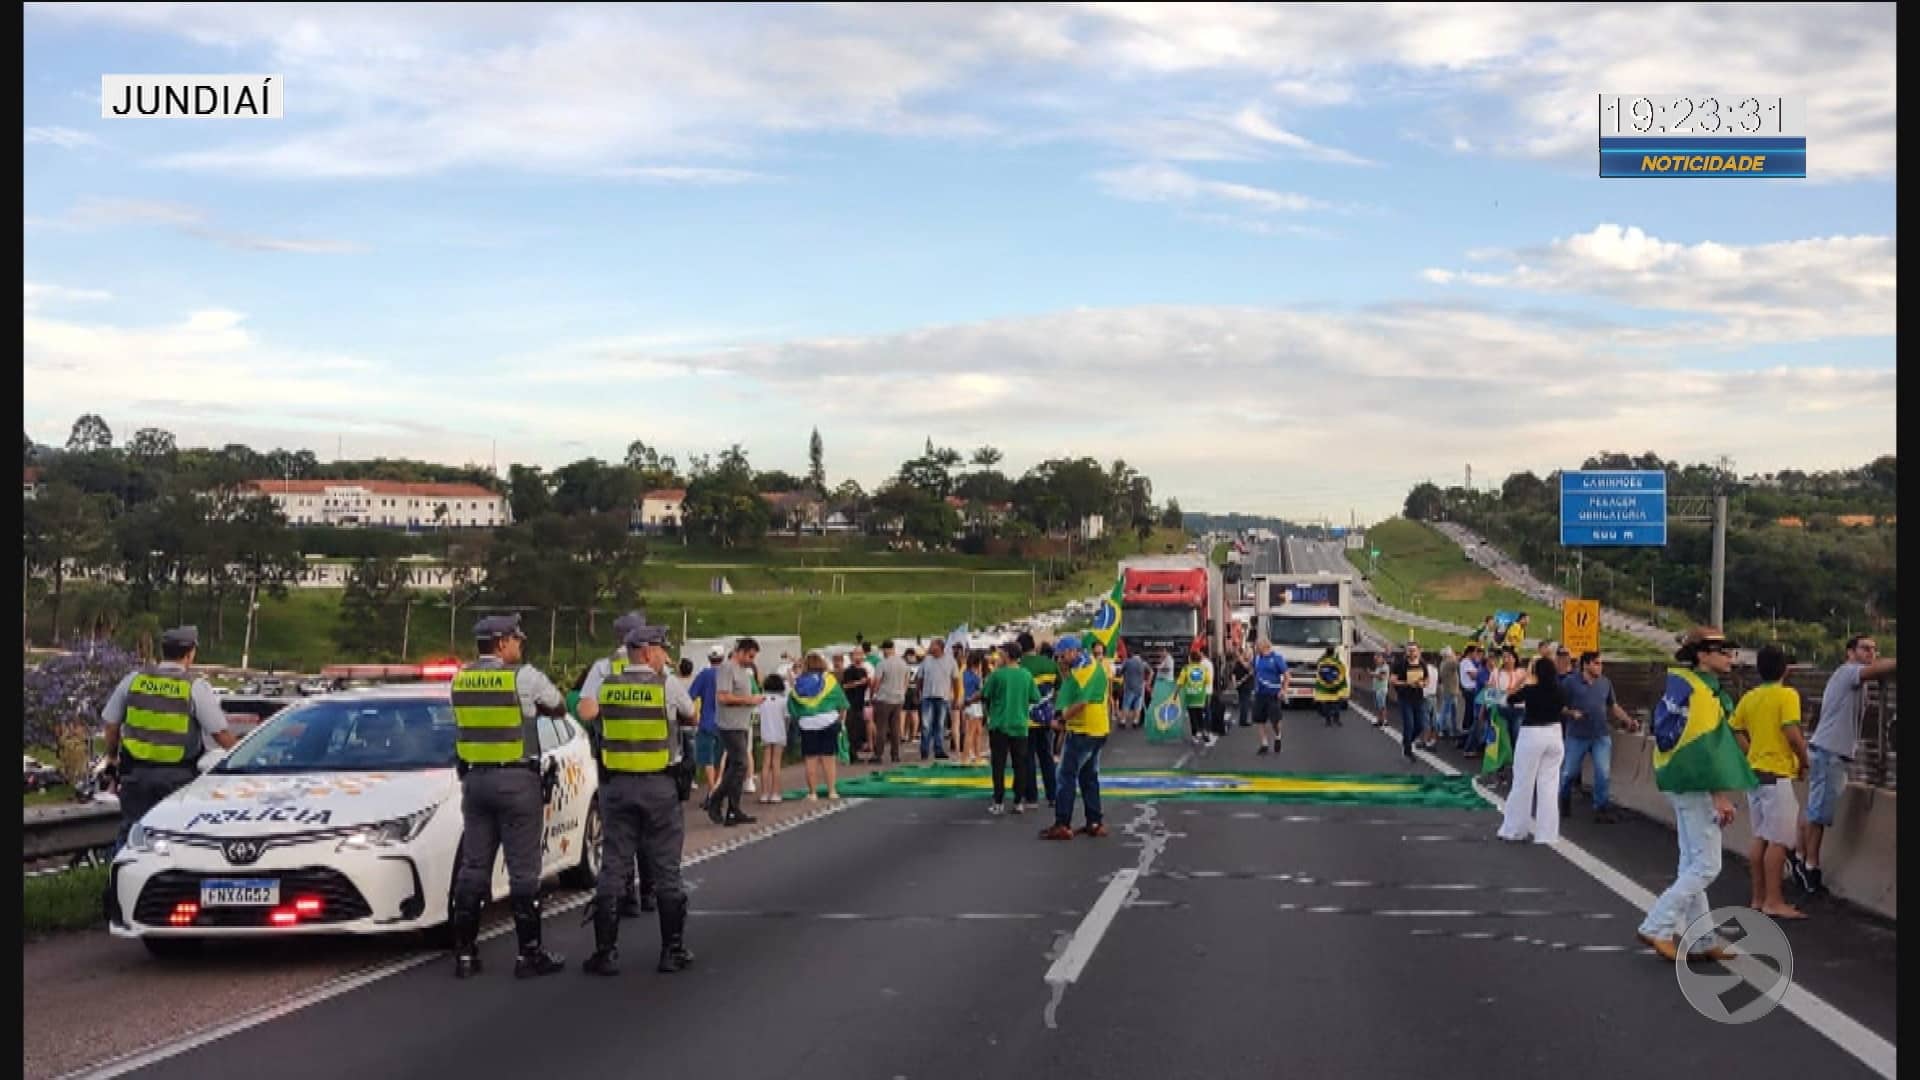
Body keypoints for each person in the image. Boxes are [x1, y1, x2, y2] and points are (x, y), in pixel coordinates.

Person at [447, 614, 569, 979]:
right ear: (501, 643)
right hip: (516, 781)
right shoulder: (524, 677)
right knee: (524, 870)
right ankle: (528, 954)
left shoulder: (460, 679)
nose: (520, 644)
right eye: (516, 639)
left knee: (473, 868)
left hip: (475, 783)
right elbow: (559, 706)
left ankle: (465, 955)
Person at [578, 619, 700, 977]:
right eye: (662, 650)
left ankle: (605, 952)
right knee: (666, 869)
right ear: (647, 652)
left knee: (613, 866)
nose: (665, 657)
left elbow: (588, 713)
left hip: (616, 789)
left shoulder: (607, 684)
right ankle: (671, 951)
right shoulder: (666, 685)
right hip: (659, 788)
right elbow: (690, 717)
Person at [1636, 627, 1757, 962]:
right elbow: (1707, 749)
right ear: (1702, 655)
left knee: (1691, 862)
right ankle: (1657, 925)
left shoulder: (1683, 686)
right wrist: (1718, 794)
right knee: (1706, 865)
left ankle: (1703, 940)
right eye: (1721, 650)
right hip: (1695, 784)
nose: (1729, 657)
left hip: (1678, 779)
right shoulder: (1704, 694)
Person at [98, 625, 237, 853]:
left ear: (164, 651)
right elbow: (220, 734)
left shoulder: (134, 680)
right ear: (190, 652)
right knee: (176, 840)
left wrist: (112, 757)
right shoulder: (194, 687)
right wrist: (245, 758)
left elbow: (111, 724)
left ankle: (119, 884)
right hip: (177, 781)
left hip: (136, 777)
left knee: (132, 836)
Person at [1797, 634, 1897, 897]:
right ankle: (1810, 869)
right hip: (1830, 753)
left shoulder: (1855, 679)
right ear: (1849, 653)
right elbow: (1879, 669)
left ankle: (1799, 858)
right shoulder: (1848, 673)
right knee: (1818, 815)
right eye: (1865, 649)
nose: (1871, 654)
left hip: (1828, 751)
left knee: (1814, 810)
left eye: (1875, 650)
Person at [577, 611, 653, 917]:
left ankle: (626, 895)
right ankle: (649, 892)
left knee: (619, 833)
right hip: (652, 762)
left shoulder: (604, 668)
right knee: (649, 832)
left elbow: (587, 711)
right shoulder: (655, 666)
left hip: (614, 763)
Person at [1730, 644, 1810, 920]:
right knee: (1779, 841)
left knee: (1762, 836)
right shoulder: (1787, 695)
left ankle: (1757, 897)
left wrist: (1749, 751)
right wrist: (1803, 758)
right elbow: (1791, 730)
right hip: (1777, 774)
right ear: (1785, 669)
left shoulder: (1750, 697)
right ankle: (1774, 901)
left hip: (1754, 773)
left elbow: (1735, 728)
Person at [1040, 635, 1111, 840]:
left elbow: (1081, 702)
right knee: (1089, 776)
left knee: (1065, 775)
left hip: (1085, 730)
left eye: (1062, 656)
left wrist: (1061, 719)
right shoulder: (1088, 666)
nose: (1060, 660)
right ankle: (1094, 822)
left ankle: (1062, 823)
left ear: (1073, 651)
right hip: (1097, 729)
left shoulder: (1085, 670)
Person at [1558, 651, 1639, 824]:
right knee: (1569, 773)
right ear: (1586, 664)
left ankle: (1600, 807)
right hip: (1577, 735)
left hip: (1600, 734)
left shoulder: (1605, 683)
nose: (1600, 667)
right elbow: (1559, 706)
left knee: (1603, 772)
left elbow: (1613, 706)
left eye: (1601, 663)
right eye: (1596, 663)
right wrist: (1572, 713)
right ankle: (1563, 800)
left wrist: (1628, 721)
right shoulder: (1570, 683)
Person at [1495, 656, 1568, 845]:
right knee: (1549, 785)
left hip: (1532, 733)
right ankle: (1548, 833)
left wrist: (1524, 678)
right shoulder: (1560, 690)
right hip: (1555, 734)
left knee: (1523, 782)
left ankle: (1515, 829)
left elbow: (1508, 698)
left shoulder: (1530, 690)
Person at [709, 638, 765, 827]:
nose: (751, 660)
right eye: (750, 656)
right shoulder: (727, 668)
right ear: (740, 651)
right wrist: (749, 700)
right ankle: (715, 798)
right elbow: (723, 696)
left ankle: (734, 808)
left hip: (741, 723)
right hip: (729, 724)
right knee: (740, 763)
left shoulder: (744, 671)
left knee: (735, 765)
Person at [983, 641, 1039, 815]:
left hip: (1000, 724)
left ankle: (998, 801)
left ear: (1007, 655)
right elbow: (1035, 697)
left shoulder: (997, 675)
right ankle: (1018, 801)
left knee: (998, 765)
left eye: (1001, 654)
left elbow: (985, 694)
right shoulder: (1026, 675)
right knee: (1020, 765)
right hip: (1020, 725)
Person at [789, 652, 849, 800]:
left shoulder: (799, 682)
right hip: (828, 721)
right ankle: (832, 791)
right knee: (829, 758)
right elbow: (842, 702)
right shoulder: (829, 680)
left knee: (811, 759)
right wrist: (840, 720)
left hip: (807, 724)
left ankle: (812, 793)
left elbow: (792, 707)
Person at [1016, 632, 1060, 809]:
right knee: (1047, 758)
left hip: (1026, 719)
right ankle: (1053, 795)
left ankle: (1032, 797)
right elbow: (1059, 688)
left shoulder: (1020, 667)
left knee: (1028, 759)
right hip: (1046, 718)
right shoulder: (1050, 665)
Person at [689, 646, 726, 811]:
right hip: (725, 722)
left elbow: (691, 695)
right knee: (719, 759)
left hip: (707, 722)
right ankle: (718, 790)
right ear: (723, 658)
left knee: (707, 759)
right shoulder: (727, 674)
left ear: (709, 658)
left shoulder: (704, 675)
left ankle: (712, 792)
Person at [917, 638, 957, 761]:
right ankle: (924, 750)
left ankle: (938, 749)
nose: (930, 648)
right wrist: (918, 692)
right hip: (927, 696)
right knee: (926, 725)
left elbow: (955, 679)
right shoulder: (926, 660)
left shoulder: (950, 661)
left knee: (939, 725)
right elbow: (920, 677)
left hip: (943, 697)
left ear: (939, 647)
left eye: (932, 645)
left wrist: (956, 696)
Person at [870, 640, 910, 764]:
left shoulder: (882, 664)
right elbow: (906, 680)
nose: (883, 652)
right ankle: (895, 755)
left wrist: (873, 694)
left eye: (884, 649)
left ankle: (878, 755)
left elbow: (876, 681)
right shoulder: (903, 663)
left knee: (881, 728)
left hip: (884, 698)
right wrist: (902, 692)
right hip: (898, 699)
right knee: (895, 729)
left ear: (888, 649)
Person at [1388, 641, 1428, 761]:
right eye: (1410, 650)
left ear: (1418, 651)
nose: (1412, 653)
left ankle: (1407, 741)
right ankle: (1408, 750)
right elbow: (1392, 680)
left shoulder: (1422, 663)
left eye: (1414, 650)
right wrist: (1407, 683)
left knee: (1421, 725)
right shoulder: (1400, 664)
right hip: (1405, 698)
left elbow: (1427, 680)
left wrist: (1423, 684)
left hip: (1419, 698)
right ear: (1406, 652)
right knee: (1409, 725)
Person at [755, 673, 788, 804]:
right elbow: (787, 718)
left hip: (766, 732)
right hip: (779, 732)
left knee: (766, 763)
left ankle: (764, 794)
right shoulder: (783, 700)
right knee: (776, 764)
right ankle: (775, 793)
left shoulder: (761, 700)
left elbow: (756, 716)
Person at [1253, 638, 1289, 755]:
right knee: (1260, 720)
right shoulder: (1257, 658)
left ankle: (1278, 736)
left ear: (1264, 646)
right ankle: (1264, 744)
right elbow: (1251, 669)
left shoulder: (1276, 658)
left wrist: (1283, 690)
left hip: (1273, 694)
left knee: (1275, 720)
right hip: (1260, 694)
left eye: (1257, 646)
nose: (1256, 648)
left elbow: (1287, 675)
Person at [838, 652, 870, 762]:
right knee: (851, 729)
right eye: (857, 655)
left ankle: (856, 752)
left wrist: (866, 683)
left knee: (859, 729)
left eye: (861, 655)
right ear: (852, 657)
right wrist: (858, 683)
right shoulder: (848, 671)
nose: (859, 657)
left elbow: (865, 686)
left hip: (860, 703)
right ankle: (851, 755)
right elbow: (845, 686)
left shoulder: (863, 670)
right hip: (850, 703)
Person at [1178, 647, 1214, 747]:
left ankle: (1195, 736)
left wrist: (1176, 694)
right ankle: (1203, 731)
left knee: (1192, 716)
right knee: (1200, 714)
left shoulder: (1186, 668)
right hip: (1201, 695)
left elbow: (1180, 682)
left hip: (1190, 695)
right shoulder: (1204, 668)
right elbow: (1208, 681)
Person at [960, 653, 987, 765]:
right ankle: (967, 757)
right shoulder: (975, 676)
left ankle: (976, 755)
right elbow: (981, 689)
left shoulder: (965, 674)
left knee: (977, 731)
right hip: (974, 704)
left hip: (969, 704)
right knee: (972, 732)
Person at [1313, 645, 1348, 727]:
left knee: (1327, 705)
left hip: (1325, 687)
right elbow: (1343, 671)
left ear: (1326, 652)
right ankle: (1337, 720)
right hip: (1335, 687)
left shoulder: (1322, 661)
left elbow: (1318, 667)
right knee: (1336, 704)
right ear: (1333, 653)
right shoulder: (1337, 661)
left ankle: (1328, 721)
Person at [1436, 646, 1462, 744]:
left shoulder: (1444, 663)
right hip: (1451, 690)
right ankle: (1443, 729)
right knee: (1447, 710)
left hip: (1449, 689)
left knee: (1450, 710)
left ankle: (1451, 729)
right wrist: (1455, 655)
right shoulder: (1449, 663)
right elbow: (1457, 662)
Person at [1120, 649, 1150, 730]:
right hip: (1140, 688)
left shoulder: (1127, 661)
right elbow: (1151, 671)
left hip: (1129, 687)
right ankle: (1135, 722)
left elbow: (1120, 671)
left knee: (1126, 705)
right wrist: (1147, 682)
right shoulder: (1143, 663)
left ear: (1133, 655)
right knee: (1137, 706)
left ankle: (1123, 721)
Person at [902, 646, 922, 747]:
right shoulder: (919, 666)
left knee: (904, 712)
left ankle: (903, 734)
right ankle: (913, 735)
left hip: (906, 688)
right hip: (915, 689)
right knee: (914, 713)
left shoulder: (904, 665)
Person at [1231, 647, 1254, 729]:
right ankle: (1243, 721)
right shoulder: (1247, 662)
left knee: (1243, 702)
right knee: (1245, 703)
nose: (1250, 655)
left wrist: (1236, 683)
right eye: (1249, 653)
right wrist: (1235, 683)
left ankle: (1242, 719)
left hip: (1242, 684)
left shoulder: (1247, 662)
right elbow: (1233, 673)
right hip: (1244, 685)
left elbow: (1249, 670)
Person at [1370, 653, 1390, 720]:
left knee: (1382, 706)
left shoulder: (1385, 667)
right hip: (1376, 688)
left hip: (1381, 689)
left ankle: (1384, 720)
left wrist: (1373, 674)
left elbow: (1382, 677)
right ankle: (1379, 719)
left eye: (1376, 659)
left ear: (1381, 659)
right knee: (1378, 706)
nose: (1375, 661)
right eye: (1374, 660)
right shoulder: (1378, 667)